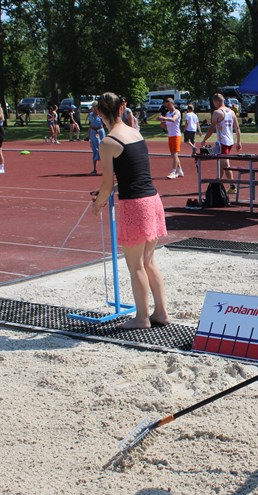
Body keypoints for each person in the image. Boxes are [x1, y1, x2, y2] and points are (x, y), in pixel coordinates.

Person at [91, 91, 169, 330]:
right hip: (152, 200)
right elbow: (132, 173)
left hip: (134, 205)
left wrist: (97, 204)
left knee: (135, 265)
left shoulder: (108, 142)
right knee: (149, 261)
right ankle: (161, 313)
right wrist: (107, 192)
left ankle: (142, 317)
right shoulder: (135, 132)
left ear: (101, 113)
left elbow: (106, 184)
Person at [200, 93, 242, 192]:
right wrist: (239, 142)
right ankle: (218, 180)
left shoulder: (217, 112)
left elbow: (211, 128)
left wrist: (204, 140)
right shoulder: (231, 112)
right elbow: (237, 128)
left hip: (223, 141)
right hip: (229, 141)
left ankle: (232, 186)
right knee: (221, 161)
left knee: (225, 162)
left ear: (216, 101)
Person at [157, 98, 184, 179]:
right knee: (173, 155)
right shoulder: (168, 113)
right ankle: (180, 170)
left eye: (168, 105)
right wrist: (162, 124)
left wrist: (164, 118)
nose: (167, 107)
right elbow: (166, 125)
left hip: (176, 135)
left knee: (175, 154)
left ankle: (173, 171)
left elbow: (173, 119)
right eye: (166, 106)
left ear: (172, 104)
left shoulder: (177, 112)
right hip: (170, 135)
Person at [87, 101, 106, 175]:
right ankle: (94, 169)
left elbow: (105, 124)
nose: (93, 107)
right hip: (93, 132)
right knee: (94, 149)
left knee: (102, 149)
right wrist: (88, 135)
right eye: (93, 106)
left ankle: (106, 169)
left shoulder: (101, 115)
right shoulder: (91, 115)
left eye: (95, 106)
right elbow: (91, 125)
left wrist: (99, 129)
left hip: (100, 132)